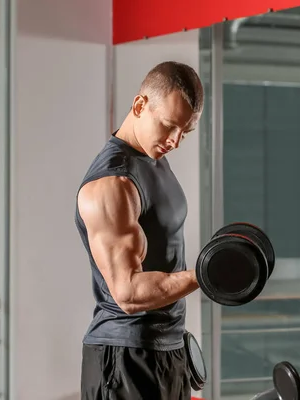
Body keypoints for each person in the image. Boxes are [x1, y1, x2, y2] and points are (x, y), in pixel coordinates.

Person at [75, 61, 204, 400]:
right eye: (169, 126)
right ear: (139, 106)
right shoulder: (112, 184)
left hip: (168, 349)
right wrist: (205, 276)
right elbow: (128, 293)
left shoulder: (153, 157)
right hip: (125, 356)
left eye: (185, 132)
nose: (175, 141)